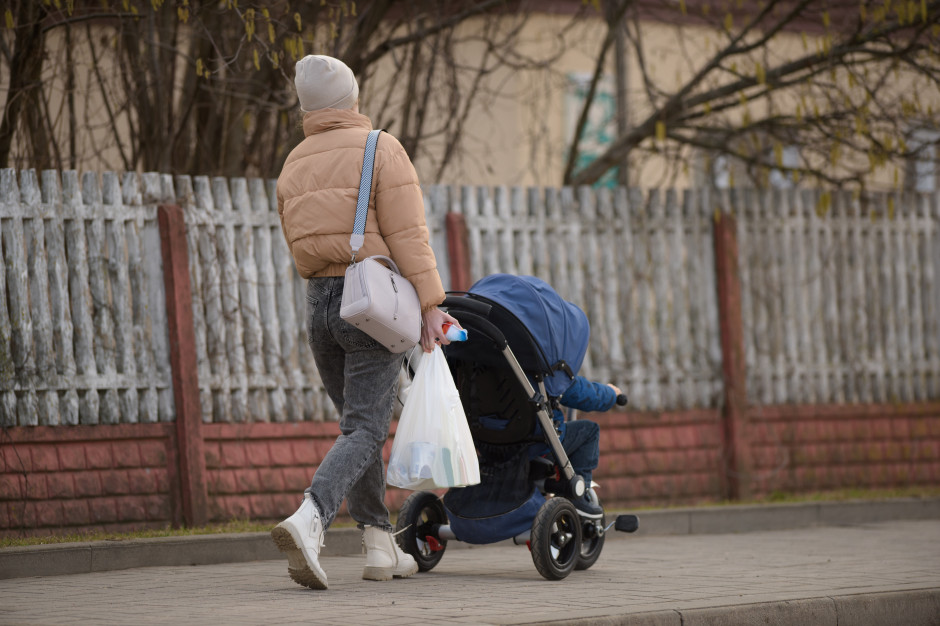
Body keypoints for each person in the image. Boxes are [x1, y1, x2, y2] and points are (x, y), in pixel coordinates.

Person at [271, 54, 458, 591]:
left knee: (356, 427)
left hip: (320, 305)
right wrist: (430, 303)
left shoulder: (294, 162)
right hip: (372, 304)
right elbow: (408, 235)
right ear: (351, 99)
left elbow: (299, 244)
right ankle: (310, 518)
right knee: (366, 428)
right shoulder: (379, 146)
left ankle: (379, 542)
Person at [549, 377, 623, 518]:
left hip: (502, 447)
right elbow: (577, 392)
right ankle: (576, 496)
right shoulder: (535, 365)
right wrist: (611, 394)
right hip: (538, 445)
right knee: (589, 430)